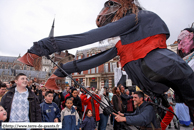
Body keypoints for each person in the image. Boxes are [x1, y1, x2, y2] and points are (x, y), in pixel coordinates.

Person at [19, 0, 194, 113]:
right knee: (183, 77)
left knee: (181, 77)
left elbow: (93, 38)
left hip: (148, 73)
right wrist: (60, 70)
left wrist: (42, 48)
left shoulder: (136, 19)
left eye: (110, 4)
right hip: (150, 71)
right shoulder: (125, 40)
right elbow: (99, 56)